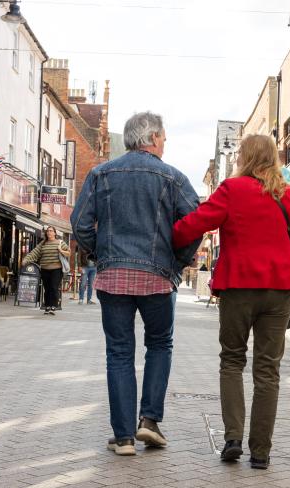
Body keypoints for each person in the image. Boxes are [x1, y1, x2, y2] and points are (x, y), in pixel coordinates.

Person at [173, 134, 290, 469]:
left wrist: (169, 235)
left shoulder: (231, 191)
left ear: (244, 158)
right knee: (268, 370)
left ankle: (232, 437)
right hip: (278, 290)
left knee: (232, 360)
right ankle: (260, 451)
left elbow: (193, 225)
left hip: (238, 287)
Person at [71, 111, 200, 456]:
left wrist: (101, 256)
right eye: (165, 138)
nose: (165, 144)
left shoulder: (101, 173)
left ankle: (124, 436)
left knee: (119, 351)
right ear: (154, 138)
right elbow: (194, 222)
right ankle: (150, 422)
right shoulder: (173, 178)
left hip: (113, 277)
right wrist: (178, 261)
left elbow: (80, 223)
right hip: (158, 277)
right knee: (159, 344)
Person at [22, 226, 70, 315]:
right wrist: (26, 259)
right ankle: (47, 306)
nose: (49, 232)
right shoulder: (43, 243)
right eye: (48, 231)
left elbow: (68, 252)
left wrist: (60, 250)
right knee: (47, 289)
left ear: (55, 233)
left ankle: (54, 306)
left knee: (54, 287)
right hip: (45, 269)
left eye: (51, 231)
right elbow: (34, 252)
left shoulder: (60, 242)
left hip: (57, 269)